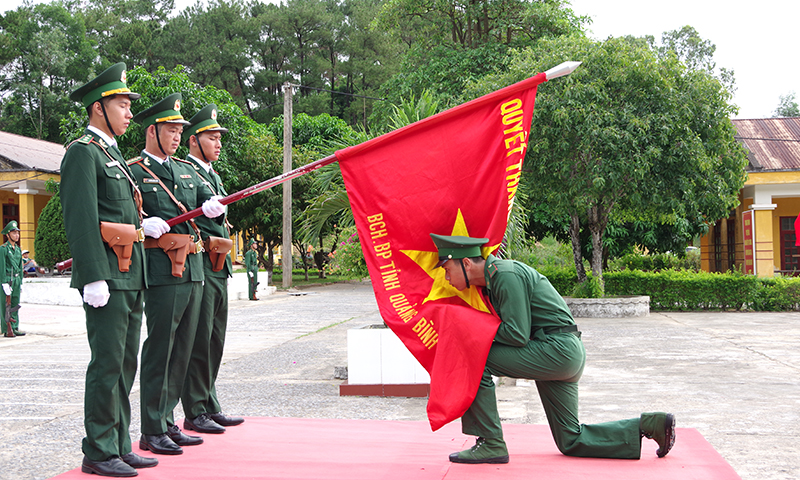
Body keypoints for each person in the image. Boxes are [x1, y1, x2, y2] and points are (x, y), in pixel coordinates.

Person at [430, 234, 675, 464]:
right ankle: (651, 425)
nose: (446, 277)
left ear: (466, 263)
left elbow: (516, 334)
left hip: (557, 350)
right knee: (570, 440)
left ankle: (491, 443)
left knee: (475, 360)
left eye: (446, 269)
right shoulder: (491, 283)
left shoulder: (505, 274)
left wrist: (470, 331)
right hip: (560, 352)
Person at [61, 62, 157, 477]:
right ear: (98, 107)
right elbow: (80, 219)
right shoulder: (82, 153)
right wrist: (92, 275)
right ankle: (98, 450)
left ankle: (119, 441)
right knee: (107, 364)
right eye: (122, 104)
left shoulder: (112, 154)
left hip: (130, 272)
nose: (130, 112)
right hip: (107, 275)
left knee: (124, 364)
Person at [127, 93, 225, 456]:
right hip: (163, 269)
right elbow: (126, 213)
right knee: (161, 347)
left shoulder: (185, 169)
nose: (177, 136)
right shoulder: (134, 170)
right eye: (170, 129)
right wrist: (141, 223)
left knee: (183, 348)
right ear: (152, 131)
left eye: (180, 130)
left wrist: (213, 207)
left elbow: (207, 202)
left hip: (195, 266)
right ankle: (152, 427)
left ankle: (167, 419)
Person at [180, 104, 244, 435]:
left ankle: (209, 402)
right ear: (194, 140)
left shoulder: (213, 174)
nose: (218, 143)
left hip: (219, 265)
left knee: (216, 339)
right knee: (200, 339)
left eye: (220, 138)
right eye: (212, 137)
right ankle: (195, 409)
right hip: (202, 262)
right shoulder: (186, 172)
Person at [0, 221, 24, 337]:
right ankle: (6, 329)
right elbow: (2, 267)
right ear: (8, 235)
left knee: (15, 304)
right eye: (14, 233)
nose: (17, 235)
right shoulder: (3, 249)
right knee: (5, 306)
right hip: (7, 281)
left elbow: (20, 267)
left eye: (17, 233)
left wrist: (21, 282)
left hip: (16, 280)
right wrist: (4, 282)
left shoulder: (18, 250)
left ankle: (15, 327)